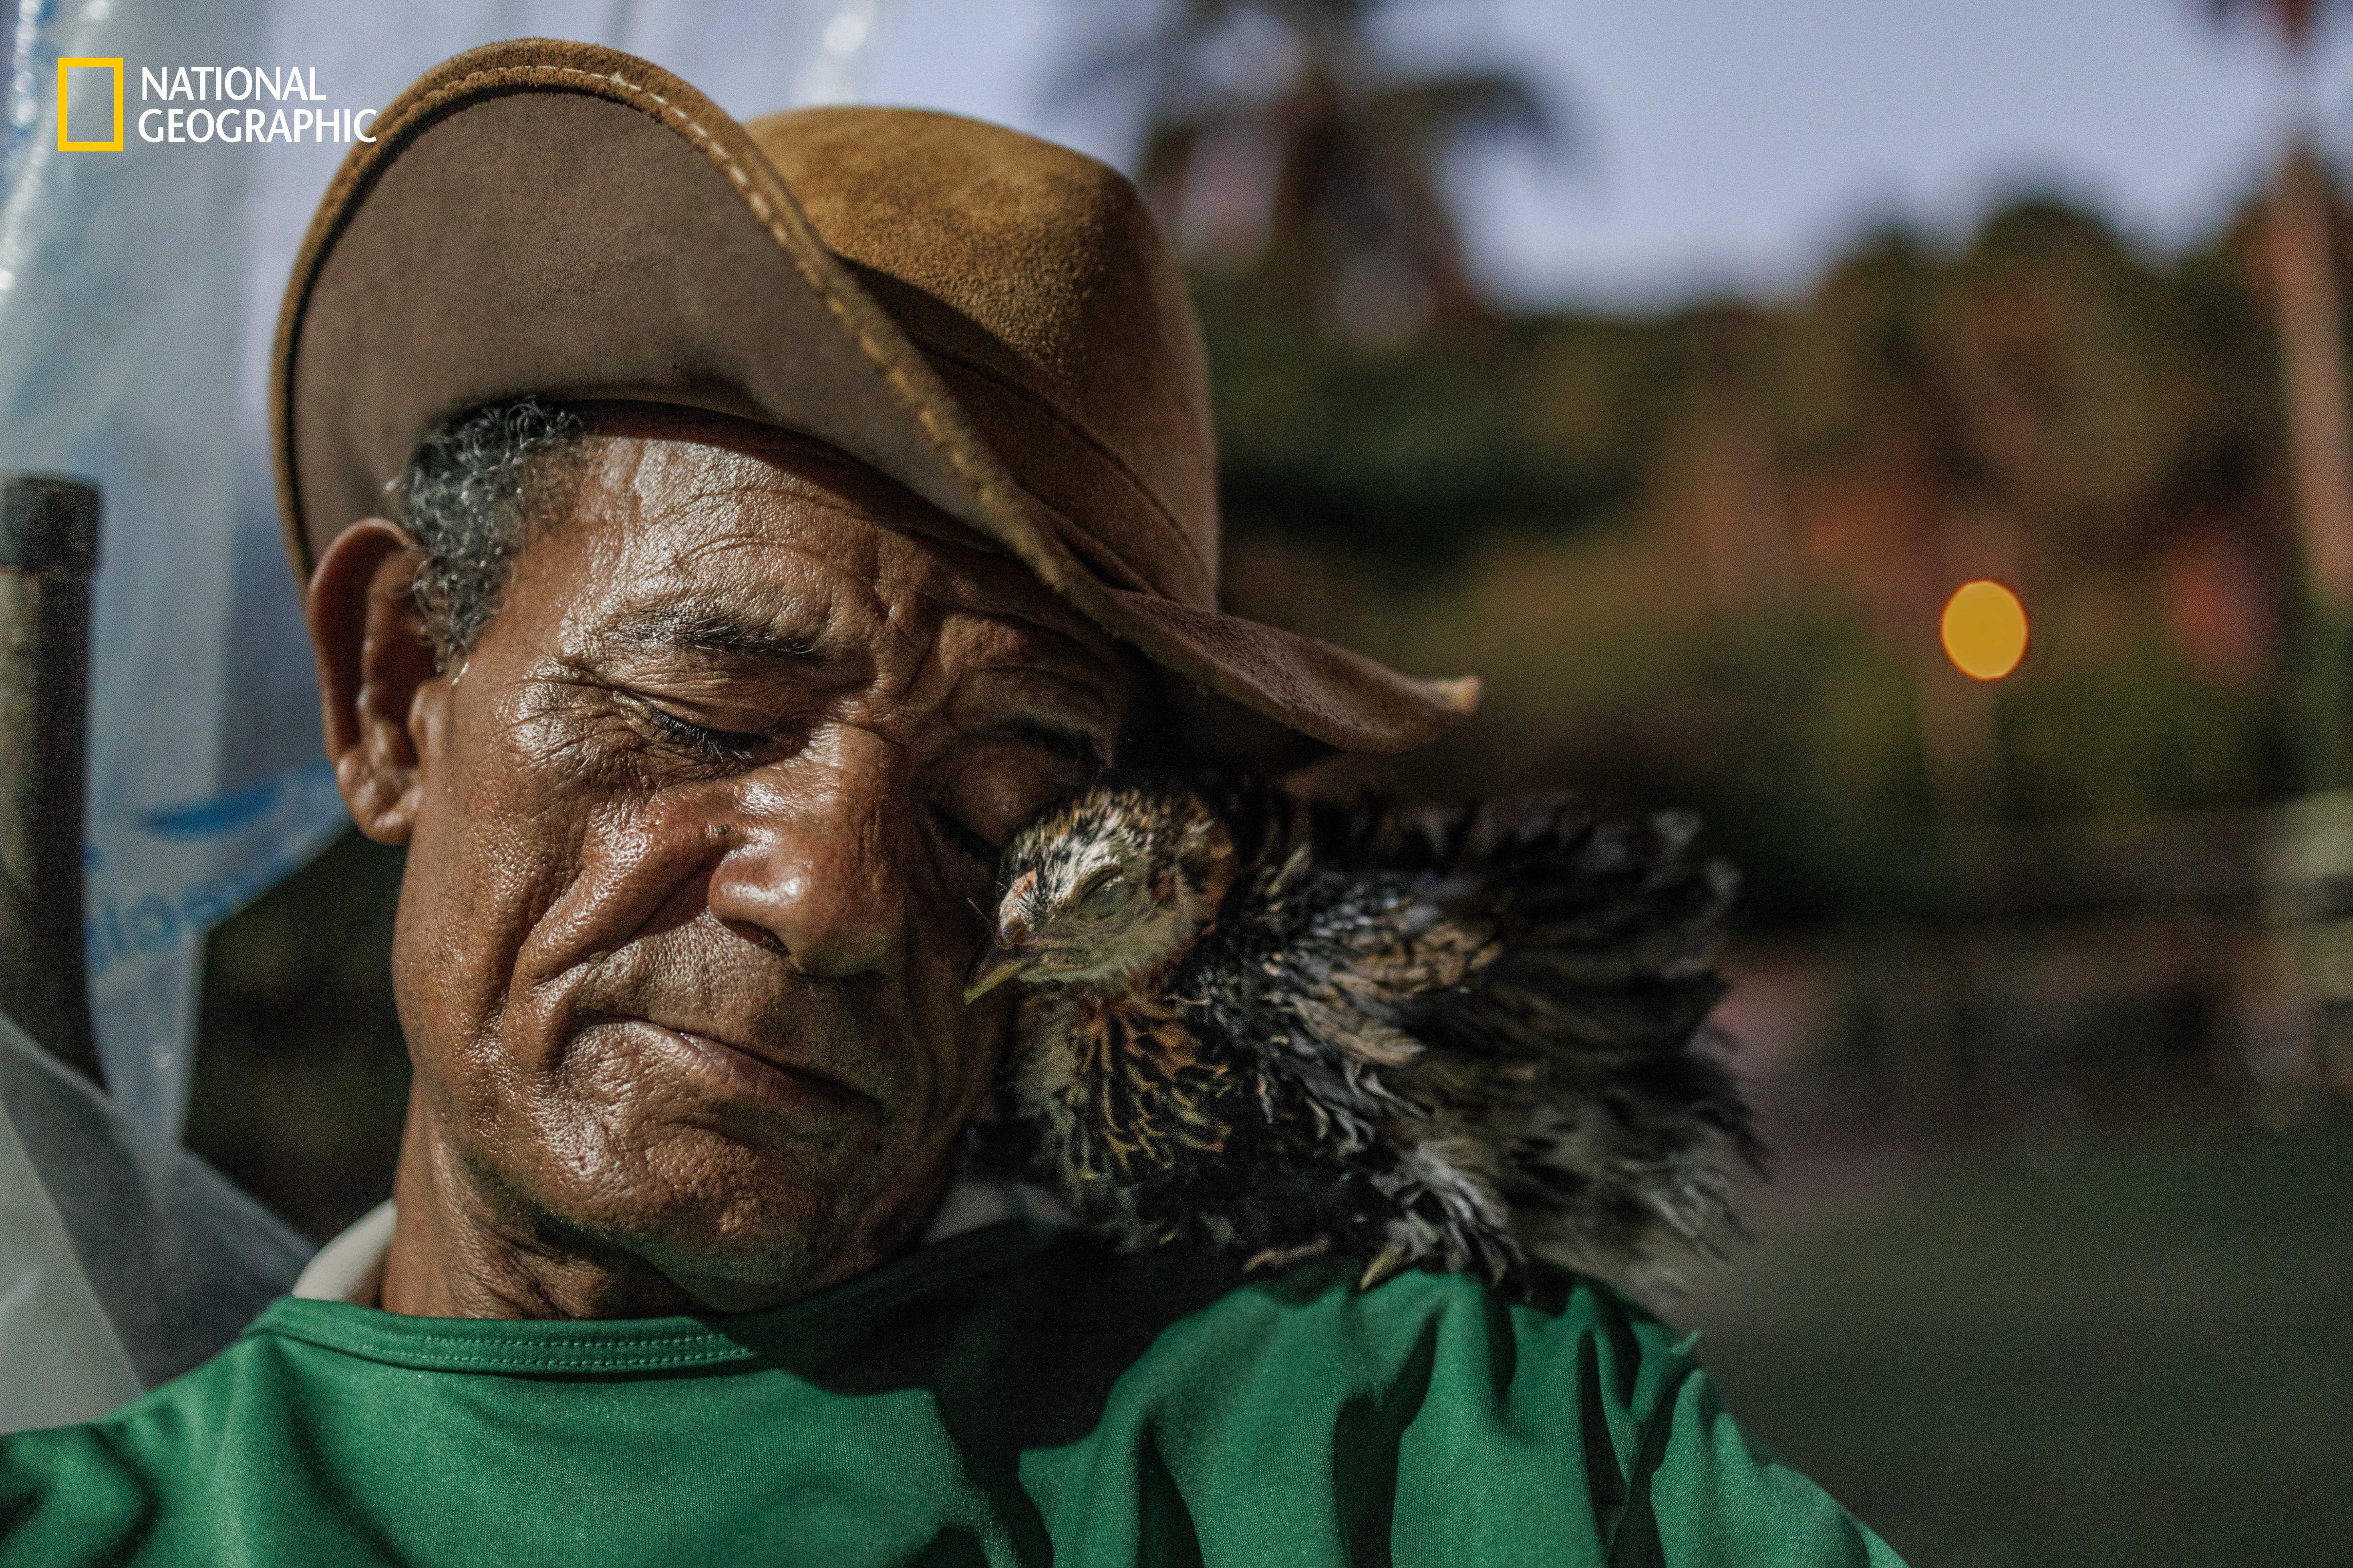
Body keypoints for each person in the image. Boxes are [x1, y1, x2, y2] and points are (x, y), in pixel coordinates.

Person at [0, 39, 1904, 1566]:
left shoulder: (1427, 1452)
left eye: (999, 809)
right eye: (702, 706)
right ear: (396, 689)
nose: (831, 896)